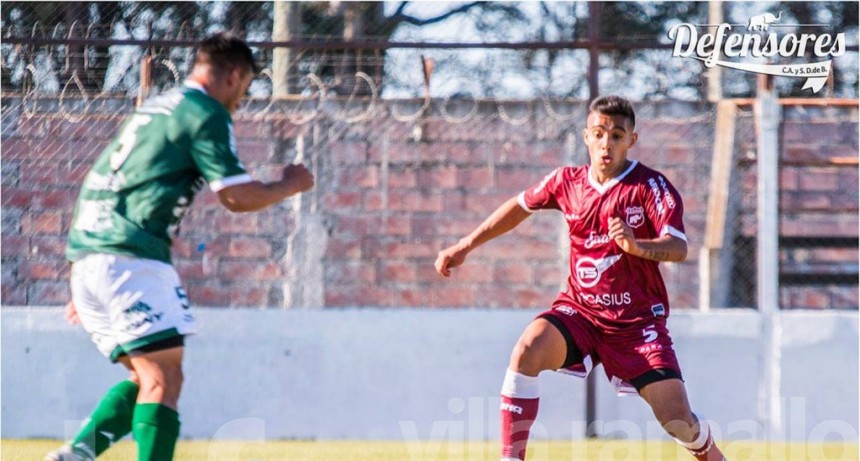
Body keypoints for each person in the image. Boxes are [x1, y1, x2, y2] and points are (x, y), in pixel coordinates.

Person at [46, 32, 314, 461]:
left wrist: (88, 267)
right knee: (163, 381)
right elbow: (235, 196)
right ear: (232, 75)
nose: (241, 101)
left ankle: (77, 453)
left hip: (91, 257)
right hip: (130, 259)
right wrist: (290, 184)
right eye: (244, 90)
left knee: (144, 376)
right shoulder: (204, 112)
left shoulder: (154, 109)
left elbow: (106, 182)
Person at [435, 95, 726, 461]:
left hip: (636, 325)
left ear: (631, 140)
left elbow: (678, 247)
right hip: (581, 313)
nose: (607, 143)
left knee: (678, 421)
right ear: (586, 137)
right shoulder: (567, 183)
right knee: (527, 348)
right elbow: (519, 206)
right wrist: (465, 245)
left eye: (617, 135)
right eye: (599, 133)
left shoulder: (649, 187)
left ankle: (710, 451)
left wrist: (636, 247)